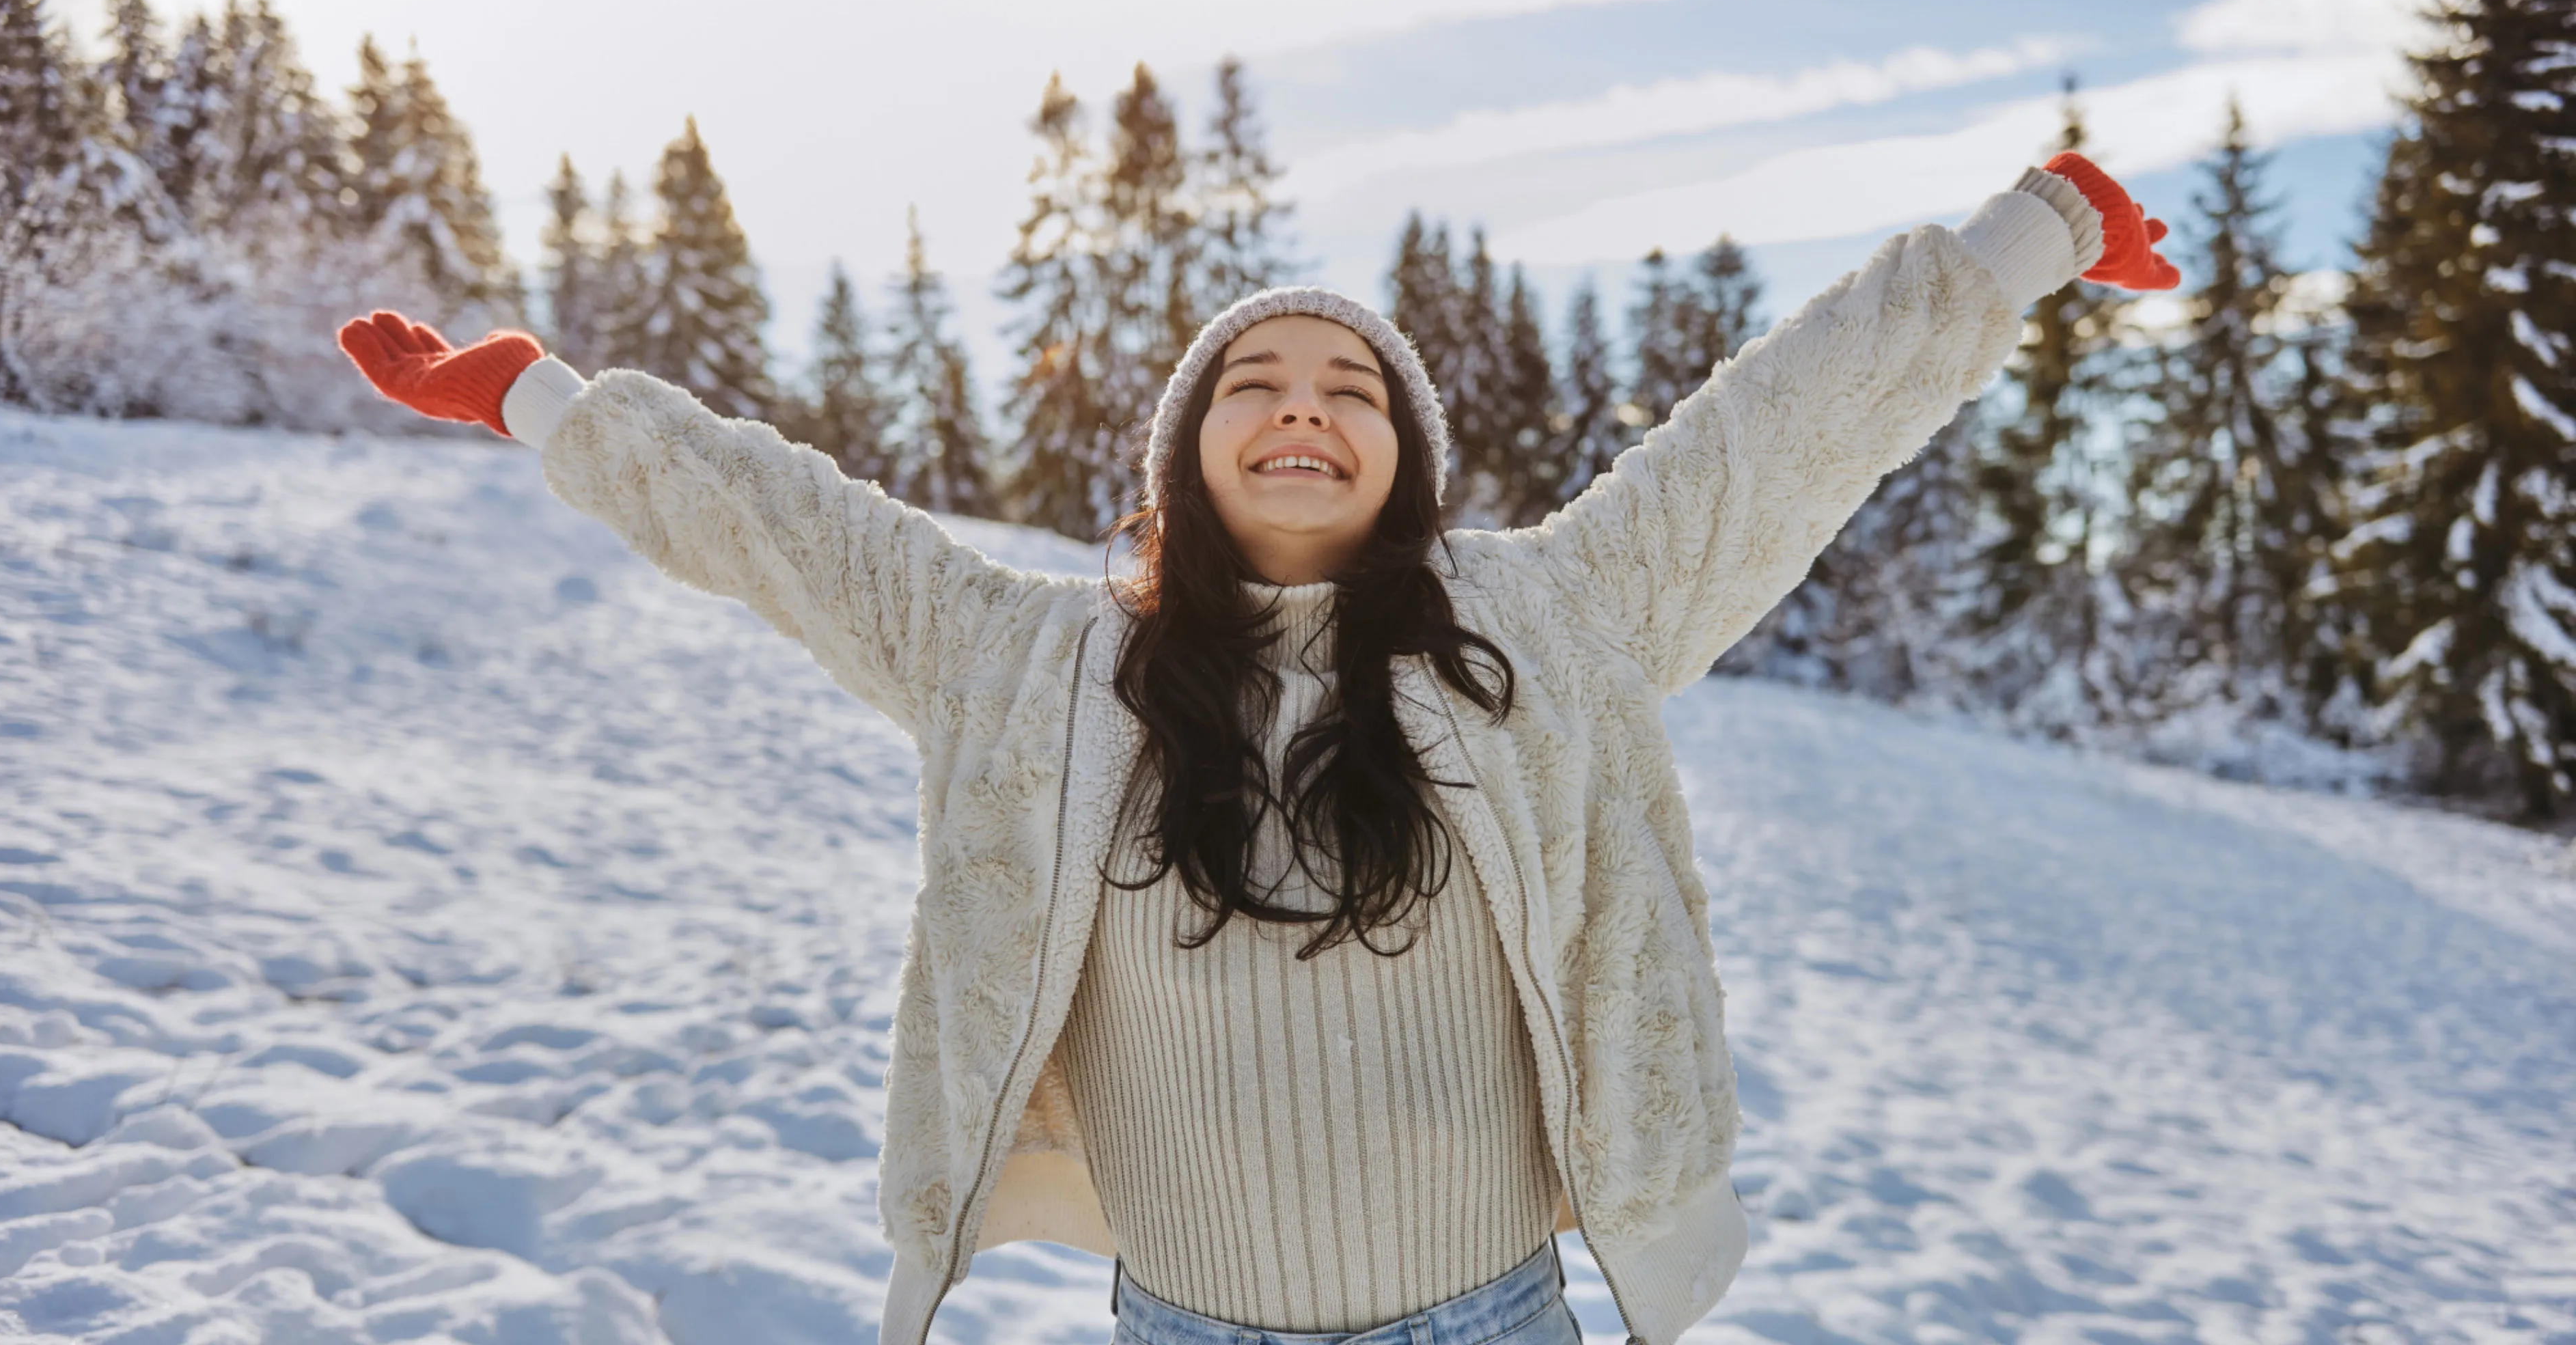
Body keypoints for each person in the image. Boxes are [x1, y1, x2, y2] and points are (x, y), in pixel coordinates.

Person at [337, 152, 2176, 1345]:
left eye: (1352, 390)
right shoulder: (1030, 664)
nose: (1305, 412)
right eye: (1258, 386)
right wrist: (538, 392)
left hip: (1491, 1321)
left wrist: (2031, 233)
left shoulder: (1557, 620)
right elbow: (790, 527)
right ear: (1187, 453)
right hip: (1182, 1325)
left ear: (1406, 460)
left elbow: (1787, 425)